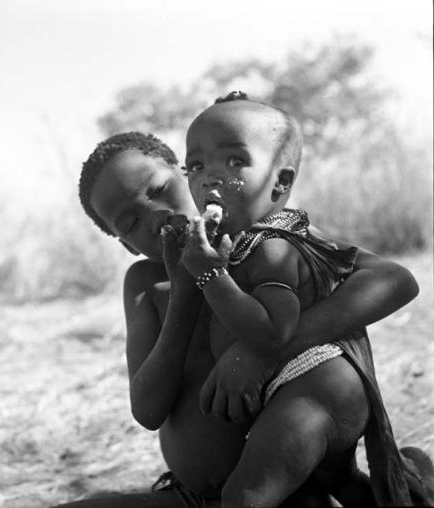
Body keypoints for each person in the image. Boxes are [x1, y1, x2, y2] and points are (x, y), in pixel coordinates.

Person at [53, 128, 427, 507]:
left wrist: (262, 356)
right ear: (125, 244)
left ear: (187, 174)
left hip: (280, 483)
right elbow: (148, 409)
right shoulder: (145, 284)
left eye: (159, 189)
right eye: (131, 223)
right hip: (195, 497)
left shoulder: (261, 236)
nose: (157, 217)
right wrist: (184, 294)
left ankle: (414, 481)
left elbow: (395, 280)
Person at [178, 90, 434, 507]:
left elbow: (274, 329)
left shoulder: (274, 243)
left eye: (235, 161)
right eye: (196, 165)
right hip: (302, 393)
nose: (209, 177)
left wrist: (209, 275)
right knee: (347, 487)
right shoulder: (244, 243)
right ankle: (418, 487)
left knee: (244, 497)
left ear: (280, 182)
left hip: (313, 389)